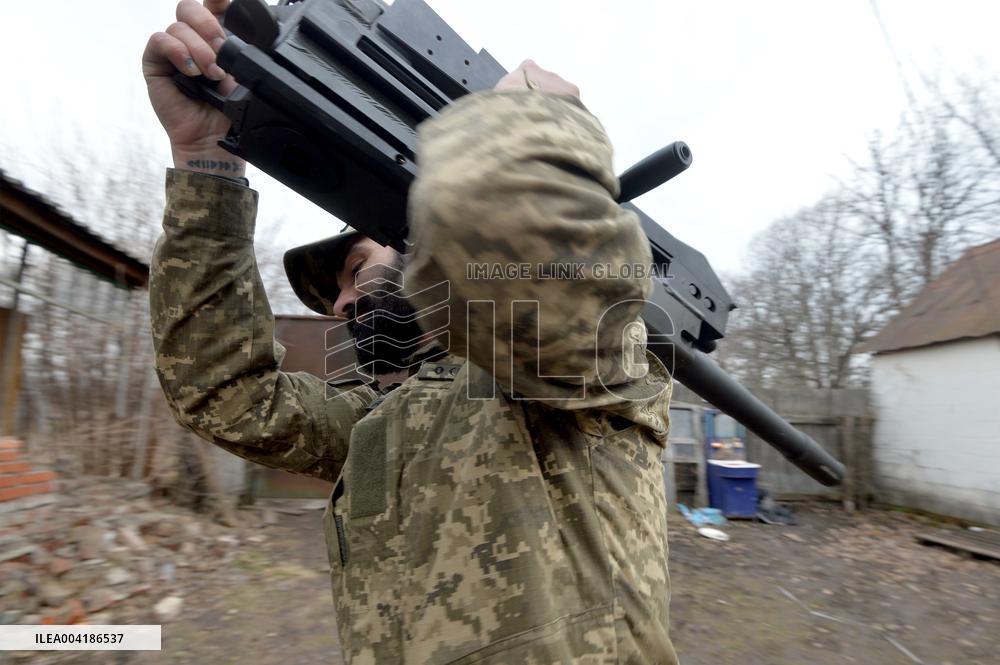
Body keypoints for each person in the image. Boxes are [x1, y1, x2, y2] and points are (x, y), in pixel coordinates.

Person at [143, 1, 678, 663]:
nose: (340, 304)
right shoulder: (376, 424)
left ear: (417, 241)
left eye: (356, 268)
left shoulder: (569, 376)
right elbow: (224, 394)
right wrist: (205, 162)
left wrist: (518, 127)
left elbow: (538, 274)